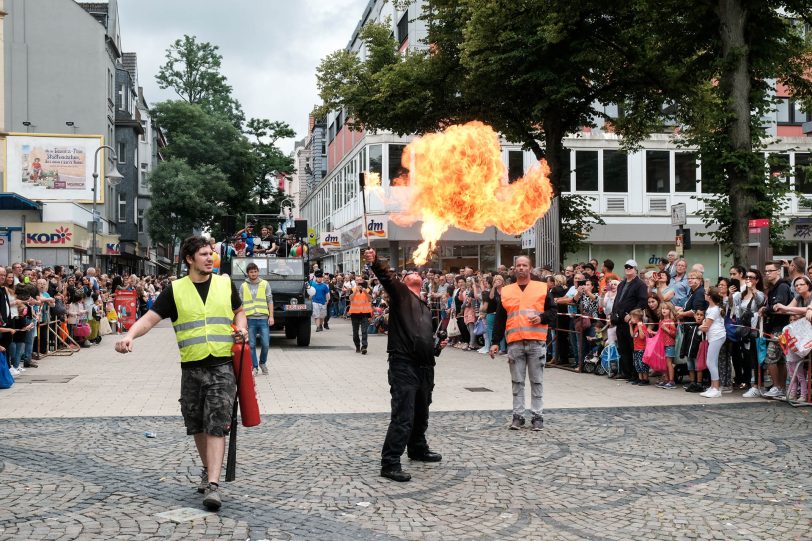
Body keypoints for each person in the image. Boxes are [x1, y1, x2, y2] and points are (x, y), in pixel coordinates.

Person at [114, 236, 247, 511]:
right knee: (197, 424)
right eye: (203, 254)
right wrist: (130, 335)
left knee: (216, 424)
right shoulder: (174, 290)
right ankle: (207, 468)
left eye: (211, 253)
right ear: (189, 259)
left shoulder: (224, 283)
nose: (210, 258)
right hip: (192, 368)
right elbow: (150, 319)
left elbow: (239, 311)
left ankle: (213, 484)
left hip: (222, 365)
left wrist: (242, 327)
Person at [364, 248, 447, 483]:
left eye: (416, 273)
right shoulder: (401, 295)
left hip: (425, 365)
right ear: (403, 282)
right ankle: (390, 463)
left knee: (422, 411)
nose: (414, 273)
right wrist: (376, 262)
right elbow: (387, 278)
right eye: (408, 273)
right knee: (404, 414)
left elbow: (426, 342)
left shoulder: (425, 306)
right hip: (403, 363)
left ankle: (418, 448)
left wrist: (438, 346)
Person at [490, 256, 556, 430]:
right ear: (514, 269)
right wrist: (495, 341)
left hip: (536, 342)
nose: (521, 268)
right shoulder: (506, 291)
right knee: (517, 381)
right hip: (515, 342)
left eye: (524, 265)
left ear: (530, 268)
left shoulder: (542, 288)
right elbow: (500, 318)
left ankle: (537, 416)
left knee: (537, 381)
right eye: (518, 265)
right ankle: (518, 416)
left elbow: (553, 312)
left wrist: (541, 317)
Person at [610, 260, 649, 382]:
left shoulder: (640, 284)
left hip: (631, 321)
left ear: (635, 269)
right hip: (620, 320)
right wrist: (613, 315)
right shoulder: (621, 284)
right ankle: (626, 372)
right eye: (626, 267)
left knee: (634, 348)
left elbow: (642, 302)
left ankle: (636, 374)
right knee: (623, 348)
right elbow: (617, 301)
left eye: (630, 267)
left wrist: (632, 315)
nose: (628, 269)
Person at [761, 261, 792, 399]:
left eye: (770, 270)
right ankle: (780, 387)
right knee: (779, 360)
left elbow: (778, 307)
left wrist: (765, 309)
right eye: (766, 271)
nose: (767, 273)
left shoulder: (782, 287)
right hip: (776, 327)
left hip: (782, 328)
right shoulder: (774, 287)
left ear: (778, 271)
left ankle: (777, 387)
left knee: (771, 358)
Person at [239, 262, 274, 375]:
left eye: (255, 271)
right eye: (251, 272)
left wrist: (271, 316)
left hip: (263, 318)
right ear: (248, 273)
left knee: (266, 344)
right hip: (250, 319)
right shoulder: (243, 286)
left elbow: (270, 301)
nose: (253, 274)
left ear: (258, 272)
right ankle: (255, 367)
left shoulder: (265, 283)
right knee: (252, 345)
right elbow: (240, 305)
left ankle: (262, 362)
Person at [699, 287, 726, 398]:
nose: (704, 294)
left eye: (706, 293)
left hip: (716, 336)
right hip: (714, 336)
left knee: (711, 362)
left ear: (709, 296)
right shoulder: (711, 308)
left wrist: (701, 327)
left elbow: (706, 327)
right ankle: (713, 386)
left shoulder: (714, 310)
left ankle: (716, 388)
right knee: (711, 362)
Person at [348, 275, 373, 354]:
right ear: (355, 281)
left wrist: (365, 292)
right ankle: (357, 346)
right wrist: (355, 292)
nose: (359, 281)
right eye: (357, 280)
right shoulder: (352, 289)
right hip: (354, 314)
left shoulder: (368, 290)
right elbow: (350, 298)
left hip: (365, 313)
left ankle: (364, 347)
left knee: (364, 331)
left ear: (362, 281)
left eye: (360, 280)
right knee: (355, 333)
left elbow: (370, 299)